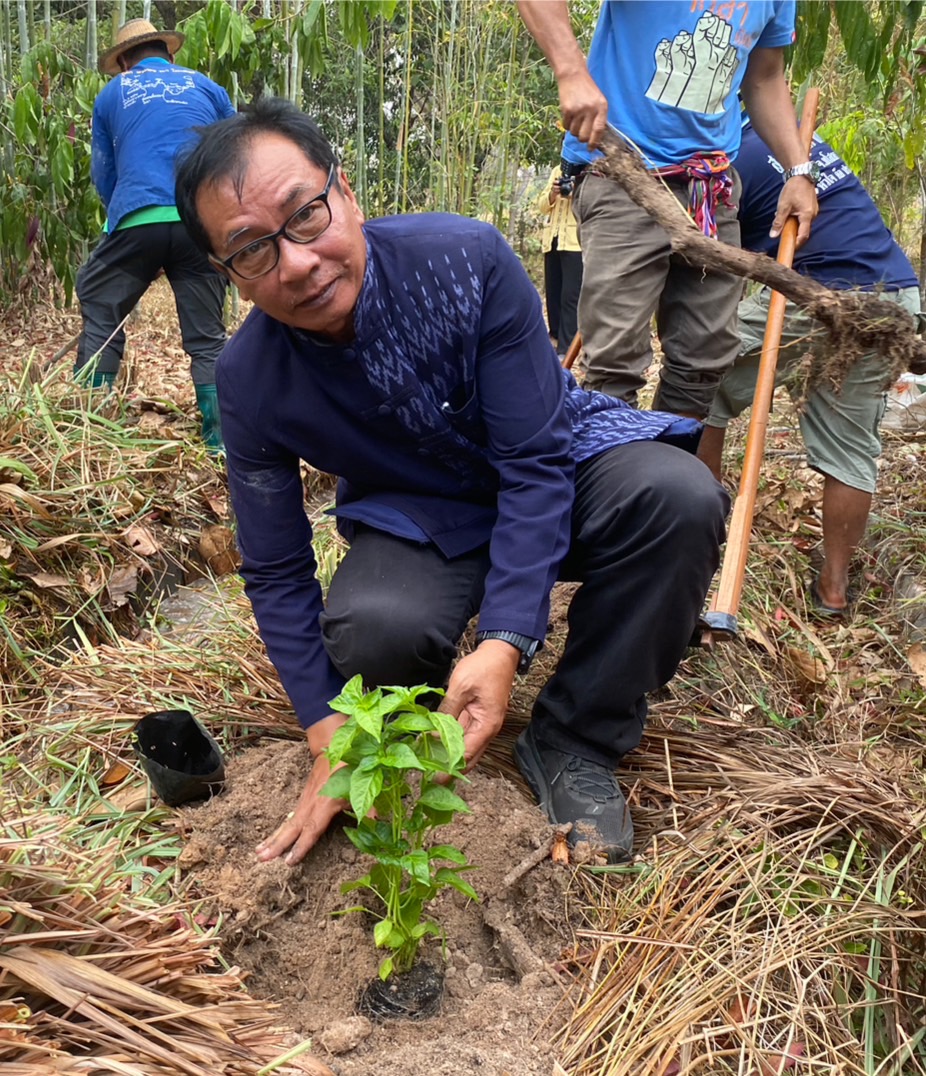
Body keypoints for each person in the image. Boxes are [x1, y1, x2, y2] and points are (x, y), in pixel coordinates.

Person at [174, 98, 729, 866]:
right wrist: (327, 734)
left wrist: (505, 639)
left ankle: (574, 739)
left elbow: (533, 464)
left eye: (306, 216)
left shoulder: (463, 262)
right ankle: (422, 719)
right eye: (252, 251)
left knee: (678, 498)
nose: (297, 262)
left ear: (345, 193)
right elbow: (274, 567)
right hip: (421, 510)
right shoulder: (250, 380)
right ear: (228, 276)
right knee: (374, 636)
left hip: (554, 458)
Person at [516, 1, 819, 420]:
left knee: (704, 359)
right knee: (614, 362)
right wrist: (571, 71)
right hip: (621, 172)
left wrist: (799, 169)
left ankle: (670, 471)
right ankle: (612, 476)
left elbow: (765, 75)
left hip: (711, 189)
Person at [698, 123, 922, 618]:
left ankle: (699, 538)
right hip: (894, 294)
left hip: (815, 291)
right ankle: (834, 589)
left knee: (699, 385)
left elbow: (717, 264)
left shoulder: (722, 158)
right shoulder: (797, 144)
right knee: (848, 445)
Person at [74, 18, 235, 452]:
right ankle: (221, 441)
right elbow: (236, 153)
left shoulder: (111, 94)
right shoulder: (207, 87)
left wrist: (123, 217)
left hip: (137, 214)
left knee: (101, 308)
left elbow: (104, 174)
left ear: (125, 61)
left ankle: (89, 432)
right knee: (207, 338)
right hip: (197, 220)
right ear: (169, 53)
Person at [534, 161, 583, 357]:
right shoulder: (557, 170)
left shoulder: (589, 171)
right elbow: (542, 206)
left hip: (574, 242)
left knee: (570, 296)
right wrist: (553, 194)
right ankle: (553, 337)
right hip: (553, 239)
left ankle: (567, 347)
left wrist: (573, 193)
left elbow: (590, 205)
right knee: (553, 293)